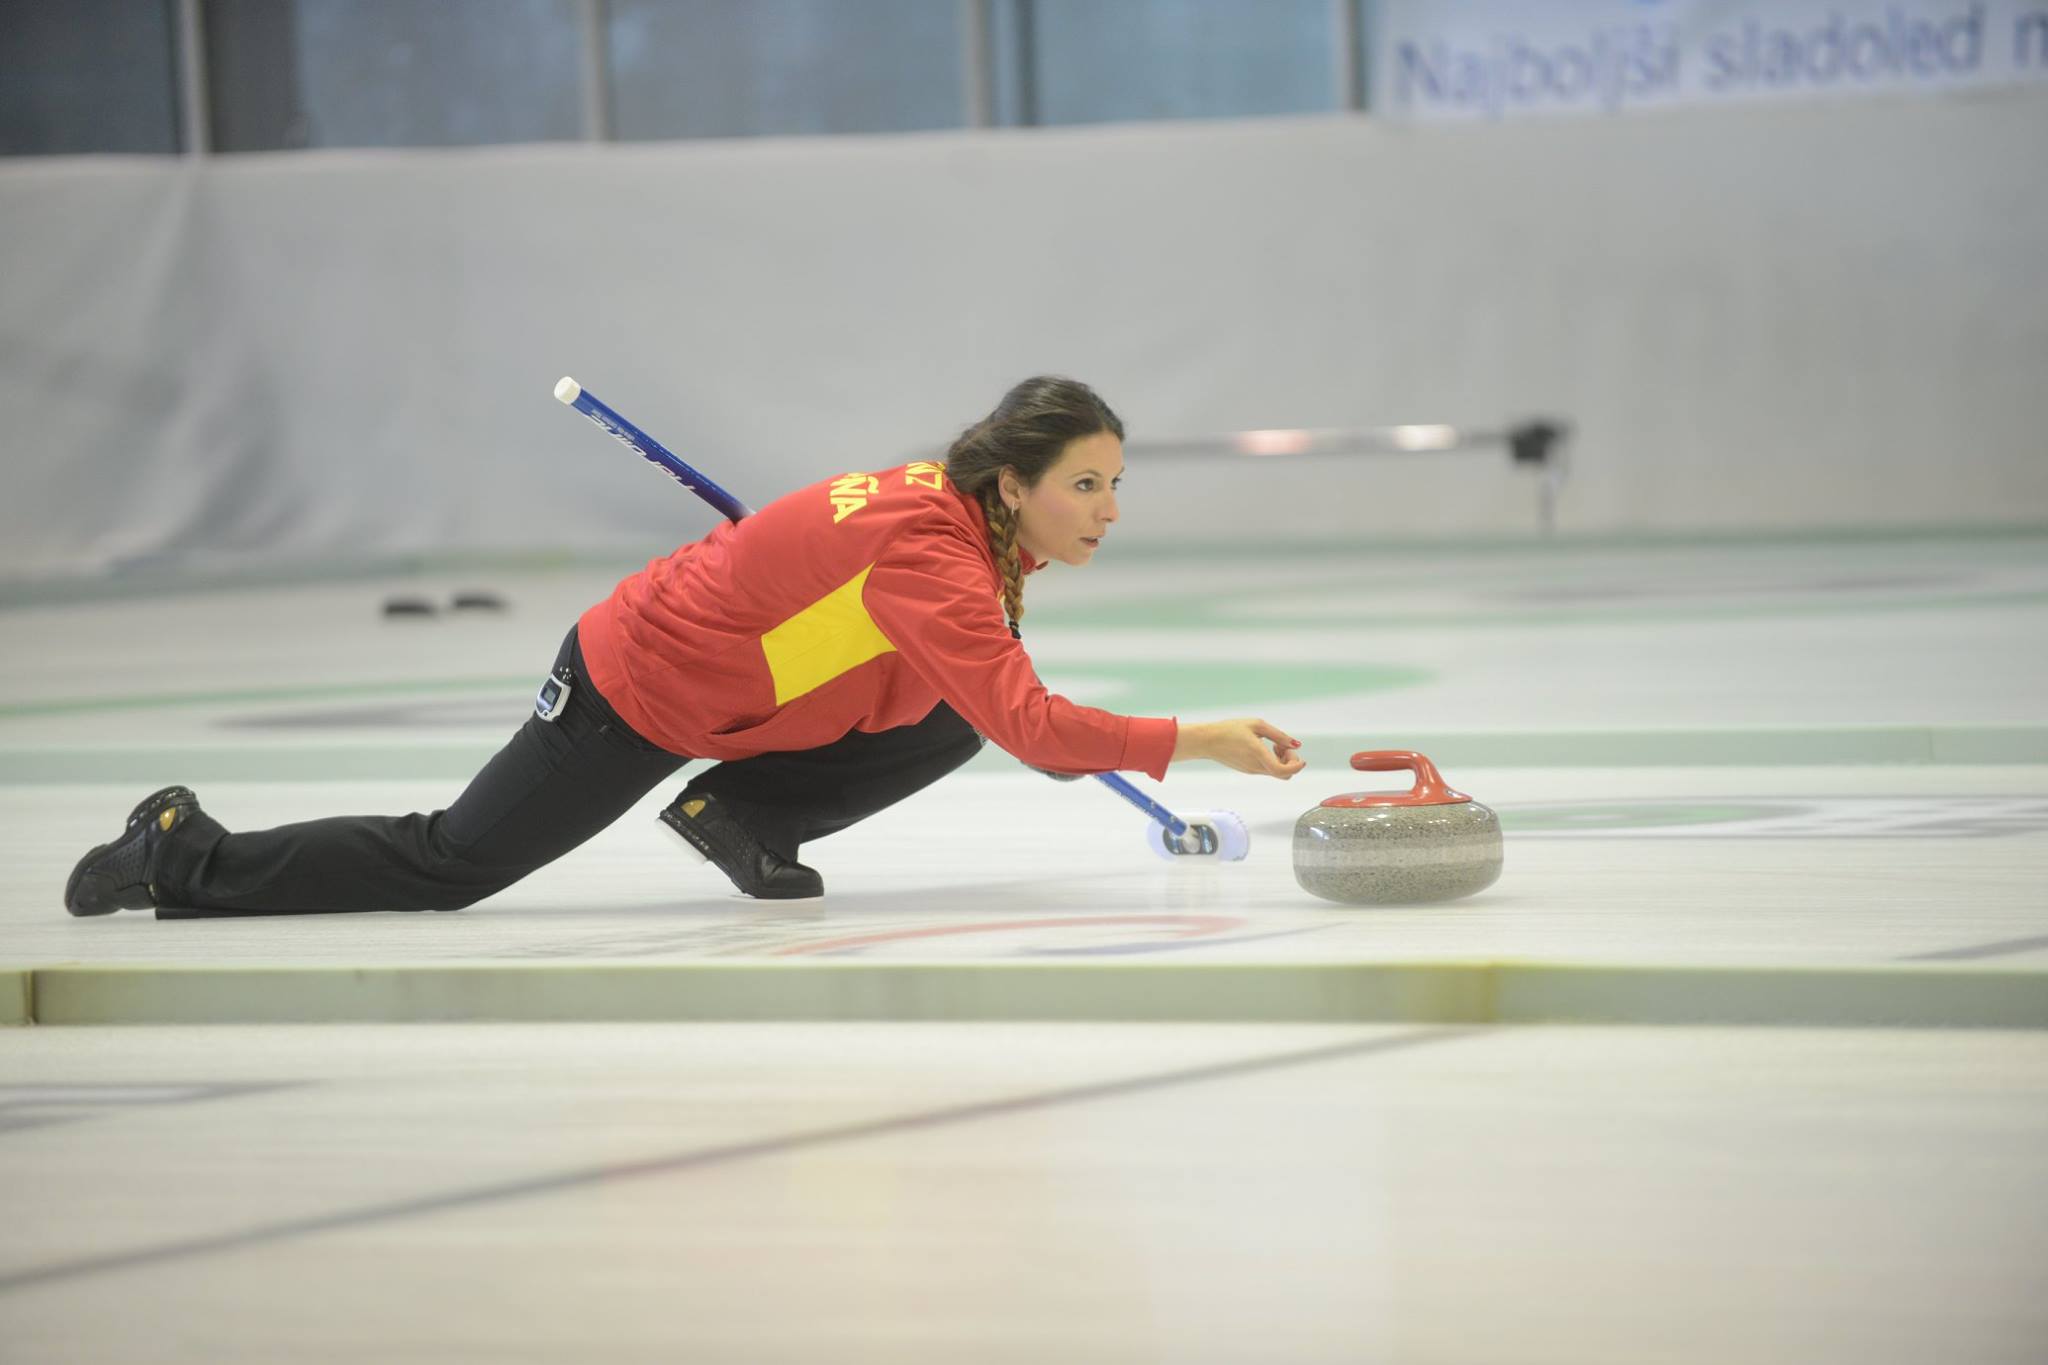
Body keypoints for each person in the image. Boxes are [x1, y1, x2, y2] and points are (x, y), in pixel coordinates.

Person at [63, 376, 1306, 918]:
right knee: (452, 864)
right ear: (1014, 479)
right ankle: (182, 854)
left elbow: (969, 678)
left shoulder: (955, 513)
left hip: (746, 694)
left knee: (950, 702)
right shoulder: (931, 551)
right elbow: (1036, 731)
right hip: (632, 689)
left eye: (1113, 483)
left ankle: (743, 818)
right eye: (1085, 484)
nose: (1107, 509)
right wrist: (1194, 740)